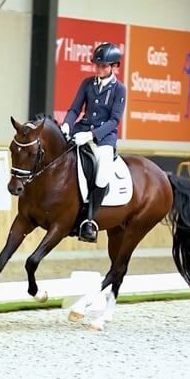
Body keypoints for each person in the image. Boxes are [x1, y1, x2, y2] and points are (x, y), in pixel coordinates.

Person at [61, 42, 126, 243]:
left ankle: (89, 221)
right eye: (97, 66)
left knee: (103, 172)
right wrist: (66, 125)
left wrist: (91, 136)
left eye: (103, 66)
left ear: (115, 66)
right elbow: (74, 109)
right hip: (81, 129)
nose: (99, 69)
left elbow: (114, 120)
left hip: (104, 138)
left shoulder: (119, 89)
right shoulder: (87, 83)